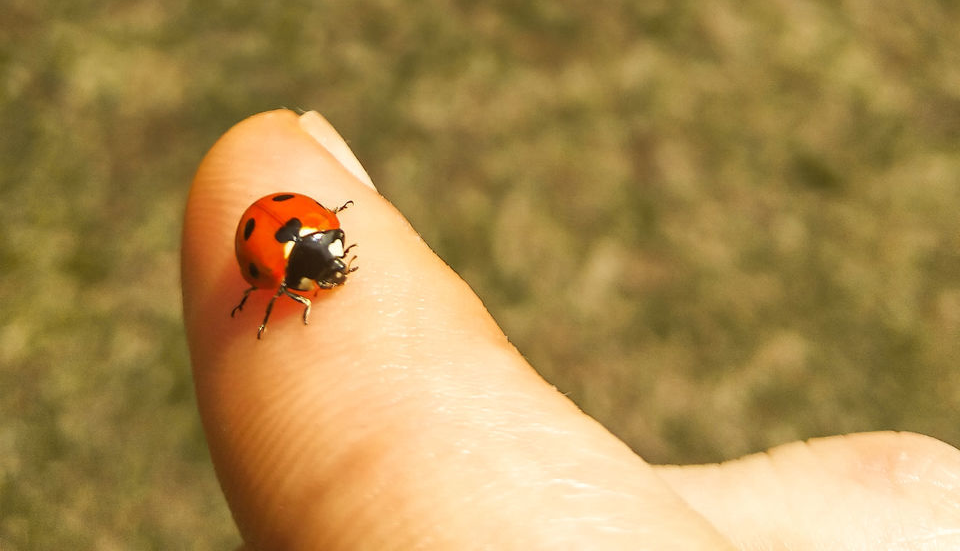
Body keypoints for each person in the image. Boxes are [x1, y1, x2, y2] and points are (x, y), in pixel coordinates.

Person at [182, 109, 960, 550]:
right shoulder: (284, 266)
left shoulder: (302, 245)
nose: (333, 273)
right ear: (296, 276)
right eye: (322, 274)